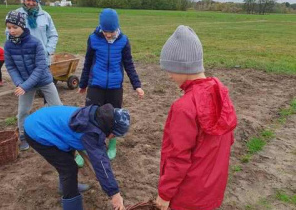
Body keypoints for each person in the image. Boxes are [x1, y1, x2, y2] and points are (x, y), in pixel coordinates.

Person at [155, 25, 237, 210]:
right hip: (211, 191)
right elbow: (225, 143)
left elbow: (177, 157)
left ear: (183, 66)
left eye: (170, 69)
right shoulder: (221, 94)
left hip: (187, 196)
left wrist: (164, 193)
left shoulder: (183, 108)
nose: (168, 75)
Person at [23, 103, 130, 210]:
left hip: (47, 122)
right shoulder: (91, 133)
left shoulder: (96, 117)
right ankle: (72, 206)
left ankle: (66, 187)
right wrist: (114, 194)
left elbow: (98, 156)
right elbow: (101, 163)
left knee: (68, 156)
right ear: (110, 127)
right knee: (68, 168)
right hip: (37, 131)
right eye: (115, 134)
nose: (112, 137)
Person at [78, 8, 144, 160]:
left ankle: (112, 144)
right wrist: (83, 83)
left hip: (115, 87)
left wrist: (137, 85)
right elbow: (88, 62)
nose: (108, 34)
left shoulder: (123, 41)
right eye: (105, 31)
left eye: (112, 31)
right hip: (96, 85)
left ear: (117, 27)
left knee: (113, 115)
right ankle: (86, 147)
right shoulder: (93, 38)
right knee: (90, 115)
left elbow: (129, 64)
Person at [4, 11, 62, 151]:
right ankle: (23, 137)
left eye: (14, 27)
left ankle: (60, 132)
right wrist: (19, 84)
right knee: (23, 111)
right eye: (8, 27)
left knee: (58, 107)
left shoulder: (35, 43)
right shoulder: (8, 45)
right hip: (24, 84)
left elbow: (41, 66)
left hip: (43, 80)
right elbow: (10, 66)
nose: (11, 30)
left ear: (22, 26)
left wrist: (25, 85)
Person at [16, 0, 58, 66]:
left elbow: (53, 35)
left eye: (34, 1)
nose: (31, 3)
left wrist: (47, 51)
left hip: (42, 60)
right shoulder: (16, 15)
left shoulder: (45, 16)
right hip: (23, 62)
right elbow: (9, 35)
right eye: (28, 0)